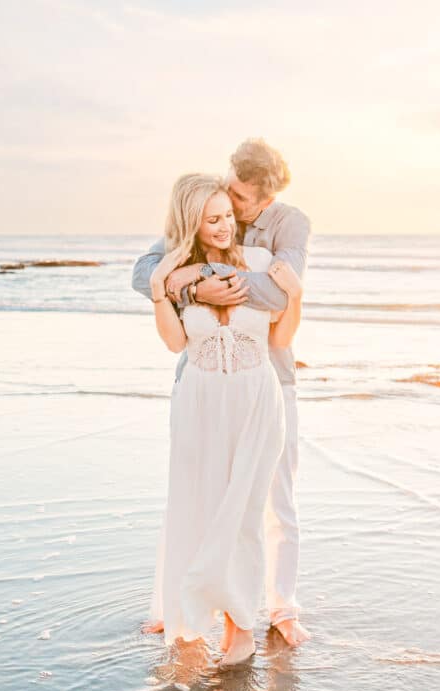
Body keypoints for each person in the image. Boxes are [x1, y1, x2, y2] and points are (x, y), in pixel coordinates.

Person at [133, 138, 312, 647]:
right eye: (228, 192)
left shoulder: (289, 226)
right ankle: (175, 602)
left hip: (267, 379)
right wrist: (189, 284)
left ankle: (280, 607)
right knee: (194, 493)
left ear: (265, 198)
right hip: (204, 378)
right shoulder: (204, 210)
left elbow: (280, 292)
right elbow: (143, 274)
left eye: (241, 199)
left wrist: (204, 275)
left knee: (275, 499)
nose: (231, 206)